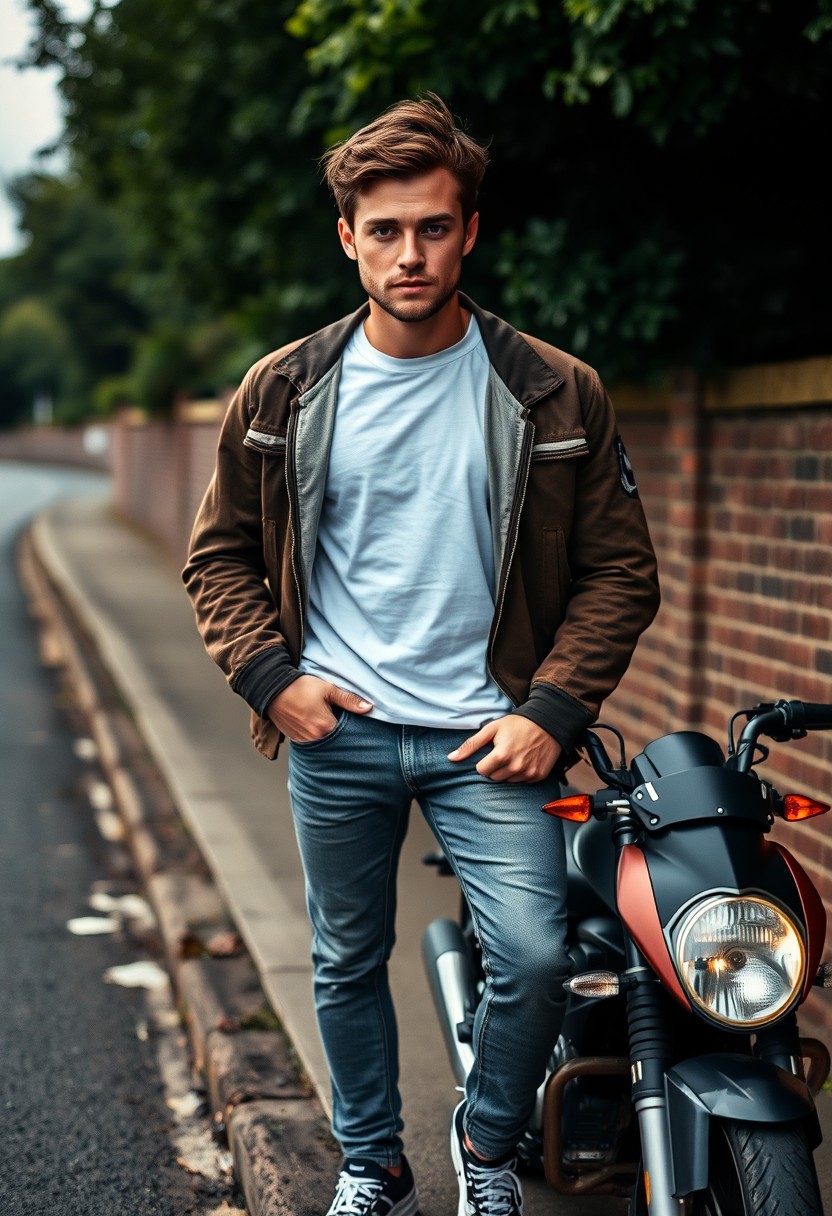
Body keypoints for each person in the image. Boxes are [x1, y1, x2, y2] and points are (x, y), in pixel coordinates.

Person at [182, 93, 660, 1216]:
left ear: (470, 232)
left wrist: (551, 706)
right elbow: (219, 559)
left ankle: (487, 1144)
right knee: (344, 962)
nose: (410, 253)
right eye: (384, 230)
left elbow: (619, 572)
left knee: (537, 957)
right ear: (347, 236)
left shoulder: (552, 387)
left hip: (491, 734)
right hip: (336, 730)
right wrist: (272, 680)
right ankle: (371, 1165)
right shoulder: (283, 390)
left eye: (433, 227)